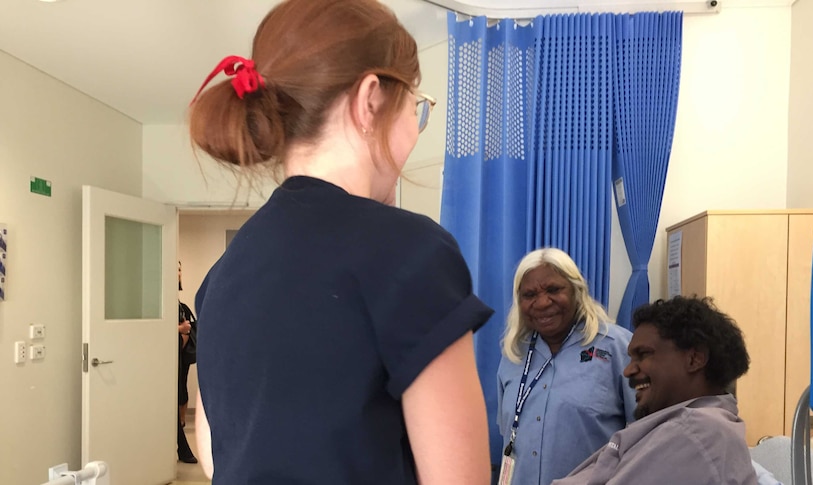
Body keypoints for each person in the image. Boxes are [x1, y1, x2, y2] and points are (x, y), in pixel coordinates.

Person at [187, 0, 493, 483]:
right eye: (416, 107)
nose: (415, 129)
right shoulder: (411, 252)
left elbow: (215, 451)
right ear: (370, 99)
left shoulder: (223, 274)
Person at [551, 296, 758, 485]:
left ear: (694, 359)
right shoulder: (686, 427)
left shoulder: (693, 432)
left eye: (643, 354)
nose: (628, 370)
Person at [497, 248, 636, 485]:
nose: (541, 303)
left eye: (553, 290)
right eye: (529, 294)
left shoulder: (617, 347)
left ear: (576, 290)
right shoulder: (513, 354)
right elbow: (506, 429)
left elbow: (643, 436)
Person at [177, 262, 197, 464]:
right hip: (169, 358)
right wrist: (180, 330)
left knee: (182, 390)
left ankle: (181, 423)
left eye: (180, 269)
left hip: (182, 358)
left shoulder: (179, 303)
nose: (179, 273)